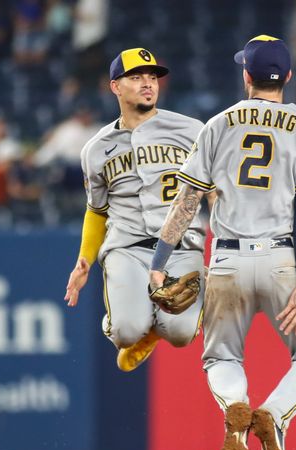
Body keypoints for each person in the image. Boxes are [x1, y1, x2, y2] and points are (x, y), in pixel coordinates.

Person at [148, 36, 296, 450]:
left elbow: (189, 200)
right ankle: (272, 415)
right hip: (282, 259)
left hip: (227, 259)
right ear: (287, 76)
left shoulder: (218, 124)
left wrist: (160, 259)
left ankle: (237, 409)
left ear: (246, 76)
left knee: (222, 357)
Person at [63, 48, 207, 372]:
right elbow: (97, 210)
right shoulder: (96, 149)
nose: (148, 84)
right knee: (126, 332)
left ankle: (154, 332)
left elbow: (216, 191)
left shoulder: (192, 131)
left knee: (182, 334)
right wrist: (83, 260)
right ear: (115, 86)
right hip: (128, 248)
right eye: (137, 77)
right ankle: (127, 325)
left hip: (182, 246)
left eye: (153, 77)